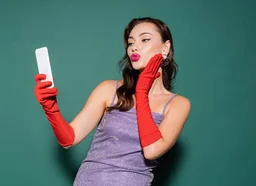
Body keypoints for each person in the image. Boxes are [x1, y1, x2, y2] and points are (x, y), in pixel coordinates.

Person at [33, 17, 191, 185]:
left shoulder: (178, 104)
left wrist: (142, 92)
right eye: (131, 43)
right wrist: (51, 108)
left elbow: (151, 151)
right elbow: (69, 140)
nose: (134, 47)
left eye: (145, 39)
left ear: (165, 48)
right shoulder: (109, 90)